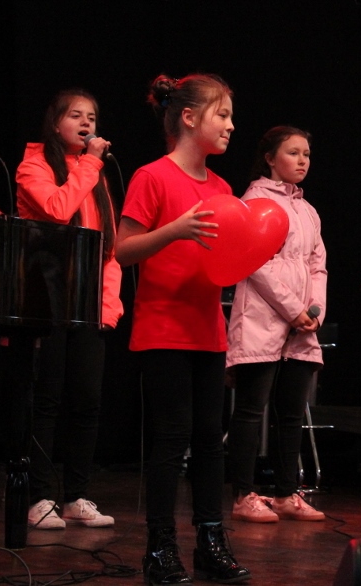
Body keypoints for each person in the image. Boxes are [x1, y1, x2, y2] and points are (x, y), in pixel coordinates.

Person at [115, 74, 249, 585]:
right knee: (171, 438)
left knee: (211, 441)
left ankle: (211, 542)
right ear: (189, 118)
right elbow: (123, 250)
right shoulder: (152, 176)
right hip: (164, 327)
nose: (231, 125)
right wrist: (174, 230)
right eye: (222, 115)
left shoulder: (221, 188)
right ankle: (160, 547)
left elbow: (224, 261)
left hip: (207, 328)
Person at [16, 89, 123, 530]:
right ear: (55, 122)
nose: (86, 123)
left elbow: (108, 248)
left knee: (87, 401)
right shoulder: (33, 165)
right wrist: (91, 163)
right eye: (76, 115)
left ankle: (77, 496)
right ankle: (39, 497)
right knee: (47, 399)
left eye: (92, 117)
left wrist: (109, 306)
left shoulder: (95, 174)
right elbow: (58, 209)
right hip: (46, 301)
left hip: (88, 305)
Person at [226, 126, 327, 523]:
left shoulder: (309, 210)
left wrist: (314, 311)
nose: (303, 160)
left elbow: (318, 265)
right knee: (252, 409)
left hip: (301, 324)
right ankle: (243, 494)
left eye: (307, 154)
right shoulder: (254, 201)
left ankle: (286, 494)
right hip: (263, 317)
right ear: (270, 158)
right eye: (293, 152)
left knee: (291, 412)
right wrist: (292, 309)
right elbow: (255, 262)